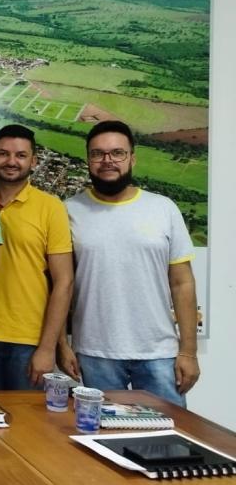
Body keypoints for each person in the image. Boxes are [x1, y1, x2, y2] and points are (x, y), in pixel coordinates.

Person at [58, 120, 199, 407]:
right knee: (107, 443)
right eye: (98, 154)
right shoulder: (68, 211)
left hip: (159, 352)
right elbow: (59, 285)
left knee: (169, 444)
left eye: (117, 153)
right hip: (95, 353)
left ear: (132, 158)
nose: (107, 161)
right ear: (88, 160)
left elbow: (182, 282)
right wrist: (61, 344)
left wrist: (188, 352)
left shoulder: (163, 208)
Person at [0, 124, 73, 390]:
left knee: (27, 427)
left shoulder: (50, 207)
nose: (11, 161)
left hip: (29, 340)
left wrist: (48, 347)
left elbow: (63, 282)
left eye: (20, 155)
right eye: (3, 154)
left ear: (34, 161)